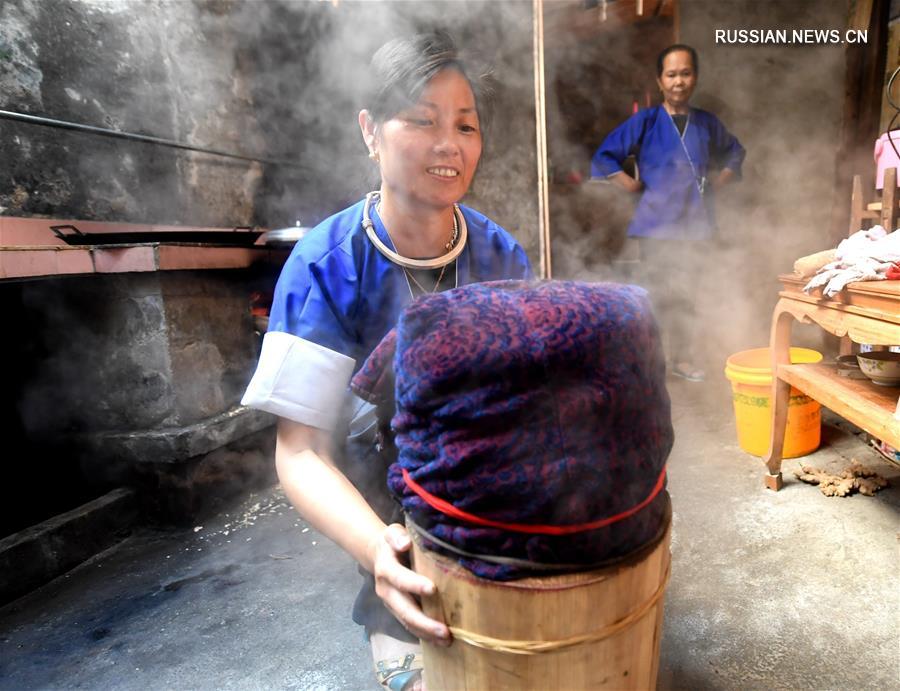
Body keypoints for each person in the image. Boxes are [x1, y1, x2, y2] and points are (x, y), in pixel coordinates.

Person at [241, 31, 532, 691]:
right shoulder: (323, 264)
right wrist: (378, 550)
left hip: (486, 488)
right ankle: (390, 607)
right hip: (383, 488)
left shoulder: (501, 256)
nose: (449, 143)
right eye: (423, 120)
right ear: (370, 131)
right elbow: (301, 452)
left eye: (466, 125)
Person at [591, 44, 745, 382]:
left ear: (696, 78)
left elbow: (735, 152)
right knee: (656, 294)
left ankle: (683, 359)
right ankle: (651, 362)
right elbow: (605, 156)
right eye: (671, 74)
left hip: (695, 225)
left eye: (685, 73)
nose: (679, 81)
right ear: (660, 81)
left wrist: (720, 181)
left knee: (688, 294)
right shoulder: (645, 121)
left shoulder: (707, 123)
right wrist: (629, 185)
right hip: (656, 225)